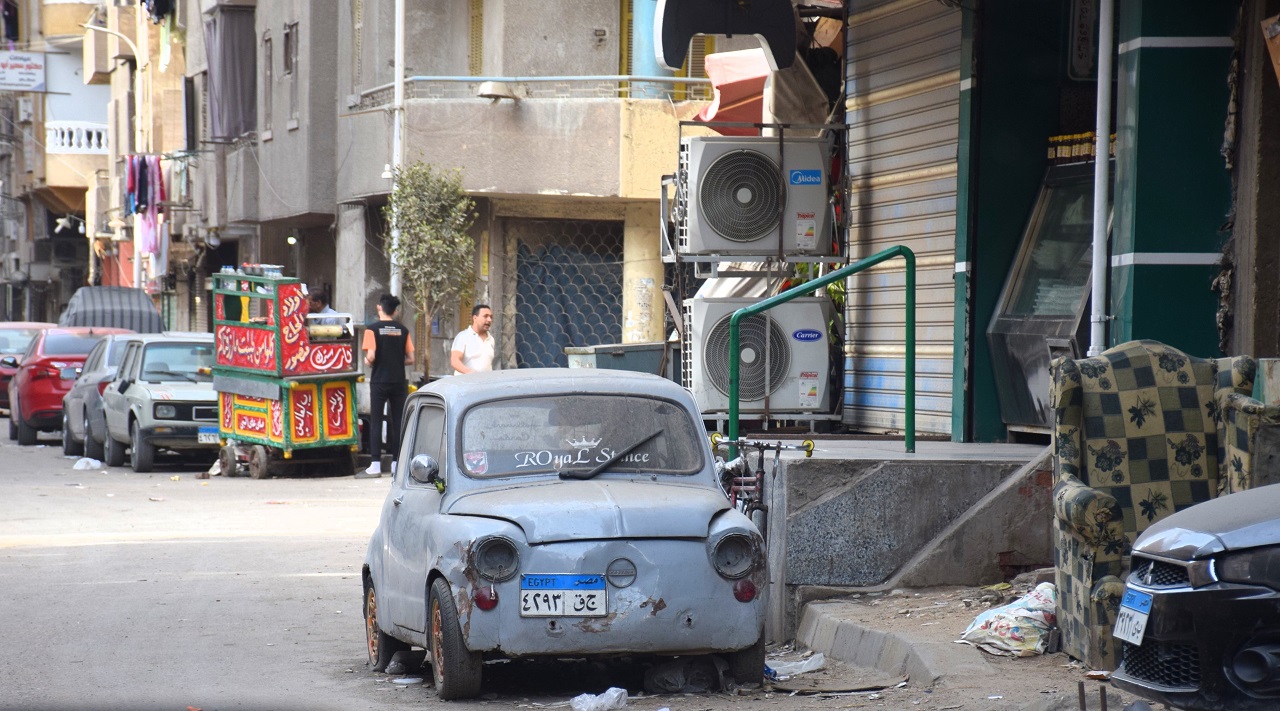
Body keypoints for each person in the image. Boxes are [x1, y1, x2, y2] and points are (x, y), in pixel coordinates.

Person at [361, 294, 414, 476]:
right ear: (395, 311)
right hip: (399, 381)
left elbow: (372, 356)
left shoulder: (372, 330)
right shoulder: (403, 330)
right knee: (399, 421)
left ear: (379, 308)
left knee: (376, 420)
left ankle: (375, 464)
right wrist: (396, 360)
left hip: (379, 381)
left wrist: (368, 360)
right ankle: (396, 464)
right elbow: (411, 359)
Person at [450, 304, 495, 375]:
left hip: (485, 384)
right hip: (466, 383)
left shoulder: (491, 339)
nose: (489, 320)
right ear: (475, 318)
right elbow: (455, 361)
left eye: (491, 317)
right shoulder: (463, 337)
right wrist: (471, 374)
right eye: (485, 316)